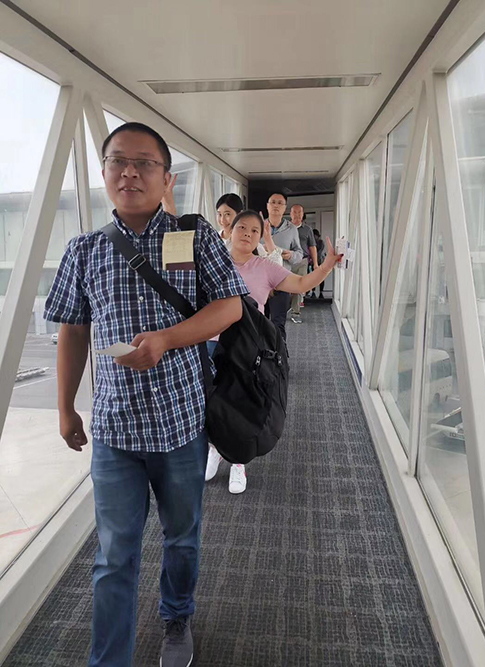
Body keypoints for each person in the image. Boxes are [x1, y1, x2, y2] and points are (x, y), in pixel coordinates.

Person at [43, 122, 248, 667]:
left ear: (166, 177)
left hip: (180, 425)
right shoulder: (84, 250)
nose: (129, 172)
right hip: (115, 431)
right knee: (114, 556)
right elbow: (73, 331)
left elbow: (230, 306)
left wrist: (167, 339)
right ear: (104, 171)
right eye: (118, 161)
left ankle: (177, 616)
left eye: (144, 163)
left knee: (181, 538)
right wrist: (65, 408)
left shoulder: (194, 236)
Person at [205, 210, 343, 490]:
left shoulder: (264, 267)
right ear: (231, 230)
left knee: (240, 403)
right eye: (242, 228)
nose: (247, 234)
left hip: (245, 347)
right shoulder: (212, 263)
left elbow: (301, 284)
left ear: (260, 237)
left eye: (254, 231)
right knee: (210, 401)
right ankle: (215, 448)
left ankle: (238, 463)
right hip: (209, 342)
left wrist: (326, 266)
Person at [264, 193, 302, 341]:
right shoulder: (259, 226)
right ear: (267, 206)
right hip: (260, 282)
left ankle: (280, 354)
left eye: (280, 203)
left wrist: (291, 255)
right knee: (259, 323)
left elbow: (299, 254)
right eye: (273, 202)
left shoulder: (291, 229)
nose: (276, 205)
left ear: (285, 208)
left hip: (282, 282)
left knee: (278, 324)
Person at [216, 193, 282, 264]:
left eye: (227, 214)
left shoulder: (247, 241)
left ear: (240, 214)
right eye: (219, 214)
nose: (222, 220)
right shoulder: (213, 239)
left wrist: (268, 238)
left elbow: (276, 266)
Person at [289, 204, 318, 323]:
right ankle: (282, 309)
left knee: (299, 286)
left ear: (303, 214)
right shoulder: (286, 228)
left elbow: (312, 246)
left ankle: (295, 312)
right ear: (290, 214)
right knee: (283, 286)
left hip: (302, 261)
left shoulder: (307, 229)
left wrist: (315, 263)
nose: (297, 215)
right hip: (287, 260)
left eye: (299, 212)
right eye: (295, 212)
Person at [311, 228, 327, 298]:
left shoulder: (321, 242)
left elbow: (320, 252)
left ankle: (321, 292)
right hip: (313, 262)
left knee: (321, 277)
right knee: (313, 277)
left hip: (320, 261)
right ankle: (313, 292)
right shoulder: (311, 242)